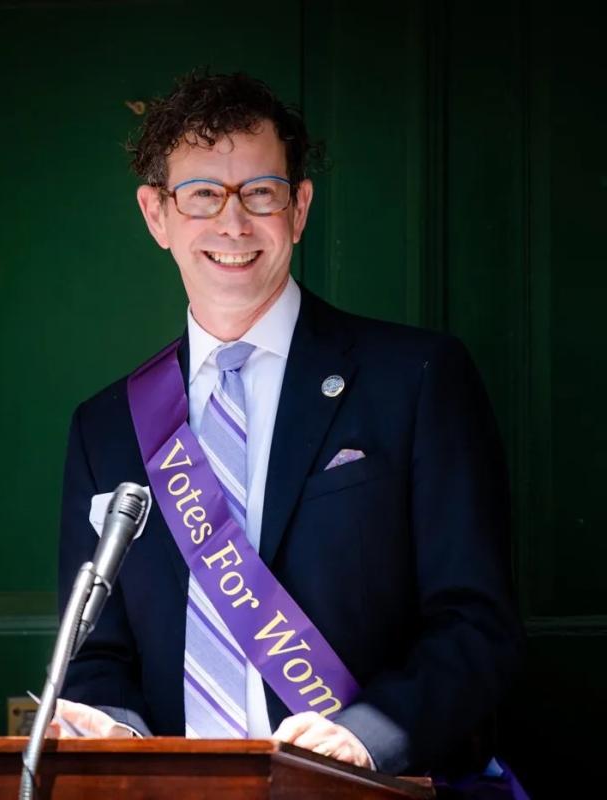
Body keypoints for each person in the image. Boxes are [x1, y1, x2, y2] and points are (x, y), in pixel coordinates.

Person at [54, 71, 522, 777]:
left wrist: (372, 734)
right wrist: (111, 728)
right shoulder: (107, 427)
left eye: (261, 193)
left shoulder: (416, 379)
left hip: (368, 790)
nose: (233, 224)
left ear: (298, 209)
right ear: (157, 215)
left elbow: (476, 622)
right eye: (203, 194)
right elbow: (95, 654)